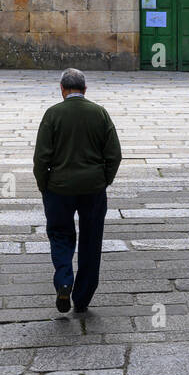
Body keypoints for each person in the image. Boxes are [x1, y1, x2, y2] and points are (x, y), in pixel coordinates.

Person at [32, 68, 122, 315]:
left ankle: (63, 281)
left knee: (60, 235)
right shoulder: (99, 113)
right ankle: (82, 297)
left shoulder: (53, 114)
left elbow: (41, 158)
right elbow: (114, 154)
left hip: (59, 188)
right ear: (85, 90)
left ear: (62, 90)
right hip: (93, 188)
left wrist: (44, 185)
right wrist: (104, 180)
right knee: (91, 240)